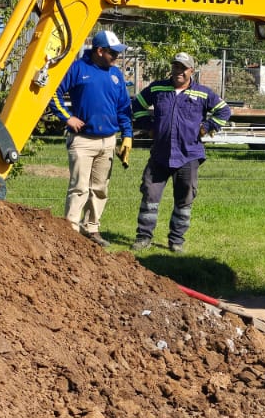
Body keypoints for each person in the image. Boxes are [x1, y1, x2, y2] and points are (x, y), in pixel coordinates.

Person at [129, 52, 232, 253]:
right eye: (176, 67)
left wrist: (208, 126)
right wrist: (147, 125)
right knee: (150, 194)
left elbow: (224, 110)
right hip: (160, 154)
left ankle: (176, 241)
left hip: (189, 155)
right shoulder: (158, 88)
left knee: (184, 199)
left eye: (183, 68)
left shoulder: (203, 93)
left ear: (191, 71)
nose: (179, 72)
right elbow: (137, 105)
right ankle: (143, 238)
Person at [50, 29, 134, 245]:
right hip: (82, 140)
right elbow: (54, 92)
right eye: (113, 53)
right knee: (79, 187)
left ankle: (92, 229)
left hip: (108, 141)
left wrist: (127, 135)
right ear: (99, 50)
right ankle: (70, 231)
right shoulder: (78, 69)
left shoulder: (116, 75)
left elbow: (124, 108)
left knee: (100, 188)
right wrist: (68, 118)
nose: (117, 57)